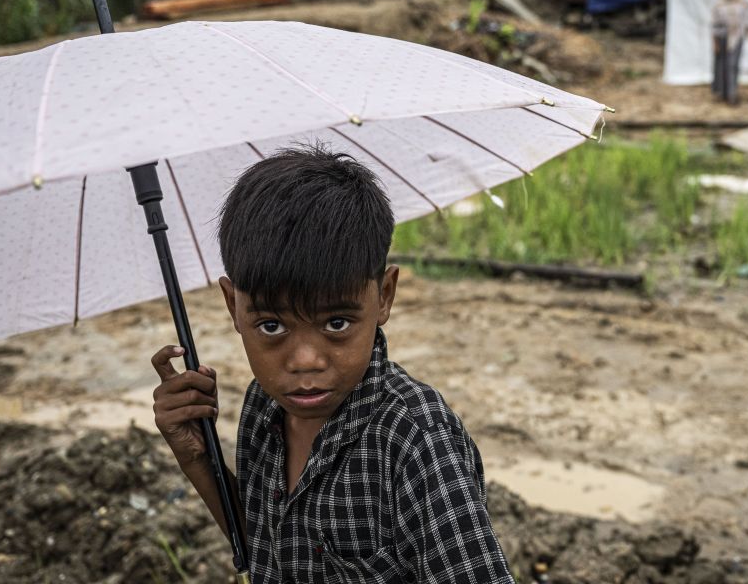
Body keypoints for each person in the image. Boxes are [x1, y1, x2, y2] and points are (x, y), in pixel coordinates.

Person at [150, 145, 514, 583]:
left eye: (336, 322)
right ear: (232, 305)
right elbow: (268, 551)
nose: (305, 361)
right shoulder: (262, 408)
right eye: (270, 326)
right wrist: (197, 456)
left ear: (384, 296)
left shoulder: (413, 439)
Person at [710, 0, 748, 105]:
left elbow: (746, 21)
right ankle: (721, 93)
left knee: (733, 65)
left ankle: (732, 94)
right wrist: (715, 41)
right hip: (722, 36)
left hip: (736, 37)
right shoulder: (719, 4)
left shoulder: (742, 4)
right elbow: (715, 24)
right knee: (721, 66)